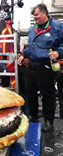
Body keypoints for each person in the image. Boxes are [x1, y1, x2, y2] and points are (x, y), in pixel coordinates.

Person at [17, 3, 63, 132]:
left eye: (37, 15)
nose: (35, 18)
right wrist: (23, 55)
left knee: (48, 95)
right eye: (34, 16)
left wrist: (58, 53)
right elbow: (31, 46)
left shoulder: (58, 27)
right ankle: (33, 115)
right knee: (30, 92)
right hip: (31, 67)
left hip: (47, 68)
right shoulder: (32, 29)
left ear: (45, 13)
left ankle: (49, 121)